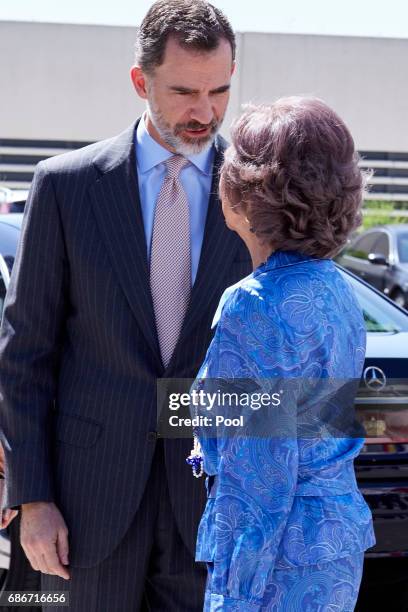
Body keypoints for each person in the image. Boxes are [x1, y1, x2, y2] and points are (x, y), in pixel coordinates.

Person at [0, 1, 252, 610]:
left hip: (214, 509)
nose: (205, 111)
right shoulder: (65, 186)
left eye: (219, 90)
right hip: (88, 506)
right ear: (140, 81)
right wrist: (31, 500)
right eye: (184, 91)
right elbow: (24, 355)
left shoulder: (254, 192)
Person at [191, 98, 376, 611]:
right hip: (335, 545)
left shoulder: (252, 304)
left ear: (243, 194)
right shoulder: (337, 288)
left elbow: (262, 470)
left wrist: (235, 593)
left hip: (277, 559)